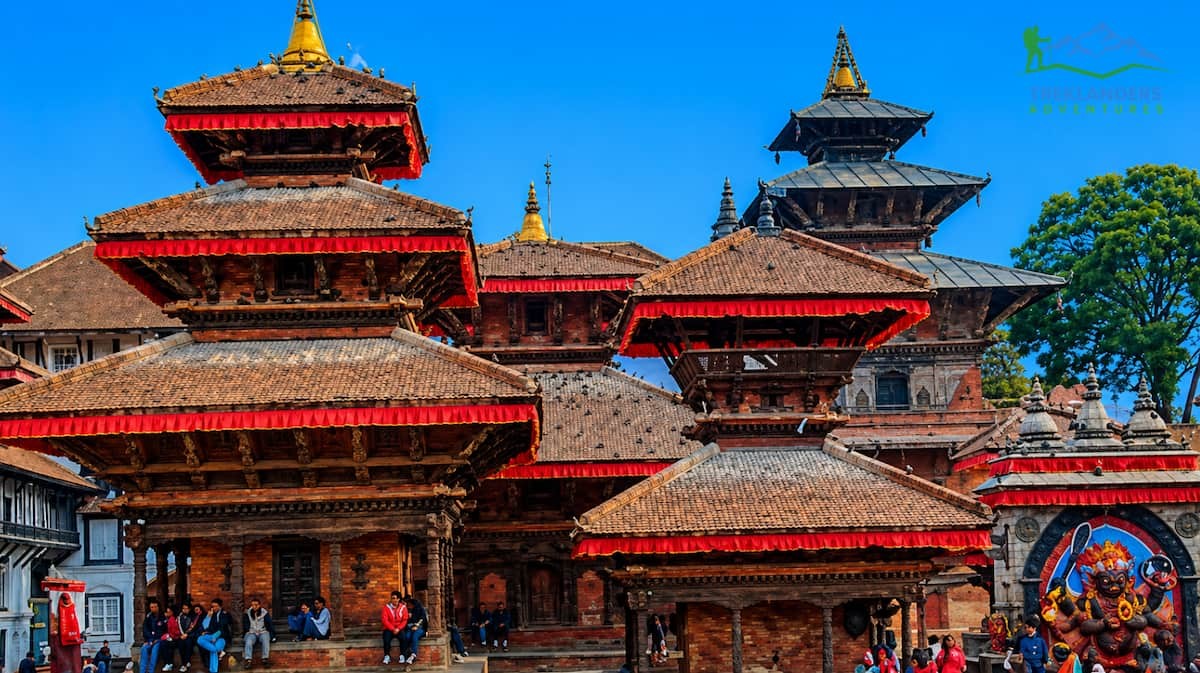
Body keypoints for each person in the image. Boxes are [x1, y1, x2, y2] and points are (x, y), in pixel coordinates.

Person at [197, 598, 234, 673]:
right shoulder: (212, 614)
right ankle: (219, 652)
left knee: (214, 649)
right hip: (211, 636)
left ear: (220, 606)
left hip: (221, 637)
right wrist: (208, 617)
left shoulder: (224, 614)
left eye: (216, 606)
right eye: (213, 606)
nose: (214, 608)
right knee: (200, 639)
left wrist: (215, 636)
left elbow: (222, 628)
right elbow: (205, 626)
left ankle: (213, 671)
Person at [243, 598, 273, 669]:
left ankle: (265, 659)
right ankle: (248, 660)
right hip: (252, 632)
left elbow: (269, 624)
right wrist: (248, 631)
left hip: (262, 631)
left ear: (259, 605)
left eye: (256, 605)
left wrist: (272, 635)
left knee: (265, 640)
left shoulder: (264, 613)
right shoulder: (248, 613)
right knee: (249, 641)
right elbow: (246, 623)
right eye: (252, 605)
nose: (254, 607)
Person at [381, 591, 409, 665]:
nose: (393, 600)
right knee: (386, 639)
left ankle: (402, 655)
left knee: (403, 638)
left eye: (395, 598)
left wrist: (398, 628)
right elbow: (385, 620)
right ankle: (387, 656)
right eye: (392, 598)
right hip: (389, 628)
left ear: (399, 599)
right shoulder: (386, 607)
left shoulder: (403, 607)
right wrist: (393, 629)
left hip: (399, 628)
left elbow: (405, 620)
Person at [141, 599, 168, 673]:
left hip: (159, 640)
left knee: (154, 652)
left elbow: (164, 630)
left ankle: (151, 671)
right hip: (150, 639)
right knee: (143, 649)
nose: (153, 609)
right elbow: (145, 629)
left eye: (155, 607)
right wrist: (147, 640)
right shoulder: (148, 616)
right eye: (151, 607)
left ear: (158, 607)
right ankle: (142, 671)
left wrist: (156, 639)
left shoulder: (163, 616)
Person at [401, 597, 427, 665]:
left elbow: (423, 619)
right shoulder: (408, 611)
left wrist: (417, 626)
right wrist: (408, 617)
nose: (409, 606)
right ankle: (406, 653)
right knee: (407, 636)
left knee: (414, 636)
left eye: (410, 604)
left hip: (420, 629)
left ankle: (413, 654)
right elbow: (406, 622)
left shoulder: (421, 610)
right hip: (410, 628)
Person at [162, 606, 183, 672]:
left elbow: (176, 631)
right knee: (164, 645)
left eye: (169, 612)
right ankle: (168, 663)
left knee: (167, 646)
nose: (167, 613)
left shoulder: (173, 619)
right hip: (171, 638)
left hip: (176, 638)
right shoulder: (167, 619)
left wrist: (170, 636)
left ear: (172, 612)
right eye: (167, 612)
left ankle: (169, 663)